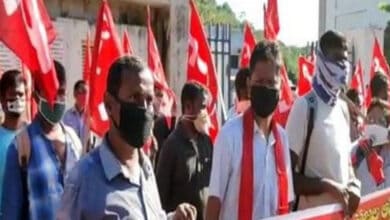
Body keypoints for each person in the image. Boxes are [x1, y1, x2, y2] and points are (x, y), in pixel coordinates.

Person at [57, 56, 197, 220]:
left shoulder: (146, 169)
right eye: (134, 98)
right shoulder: (83, 179)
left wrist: (173, 218)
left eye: (149, 100)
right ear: (109, 104)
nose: (144, 109)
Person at [206, 41, 294, 220]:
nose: (265, 88)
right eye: (259, 82)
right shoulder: (229, 135)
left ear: (281, 85)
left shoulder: (282, 139)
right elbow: (214, 201)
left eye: (271, 82)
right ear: (249, 83)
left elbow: (288, 202)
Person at [286, 30, 361, 217]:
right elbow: (285, 177)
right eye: (337, 59)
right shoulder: (304, 107)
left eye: (345, 59)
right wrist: (326, 186)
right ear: (320, 60)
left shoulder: (343, 109)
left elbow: (345, 166)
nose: (343, 66)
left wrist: (354, 185)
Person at [1, 61, 83, 220]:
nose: (56, 100)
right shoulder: (21, 145)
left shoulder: (74, 141)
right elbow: (11, 212)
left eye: (61, 92)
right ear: (36, 97)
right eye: (50, 93)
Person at [156, 82, 213, 220]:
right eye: (203, 107)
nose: (206, 113)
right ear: (188, 106)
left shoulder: (206, 141)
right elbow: (159, 197)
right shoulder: (172, 146)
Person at [0, 70, 27, 208]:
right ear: (2, 100)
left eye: (21, 95)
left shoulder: (35, 136)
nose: (17, 100)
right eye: (12, 95)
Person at [63, 80, 89, 151]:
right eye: (83, 92)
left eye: (87, 93)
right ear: (75, 94)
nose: (85, 96)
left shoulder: (90, 117)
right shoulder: (66, 117)